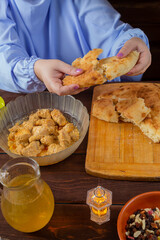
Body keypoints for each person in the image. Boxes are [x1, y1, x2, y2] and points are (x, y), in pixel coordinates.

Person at [0, 0, 151, 95]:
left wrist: (131, 44)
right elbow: (4, 54)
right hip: (21, 107)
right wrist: (35, 69)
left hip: (94, 99)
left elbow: (112, 33)